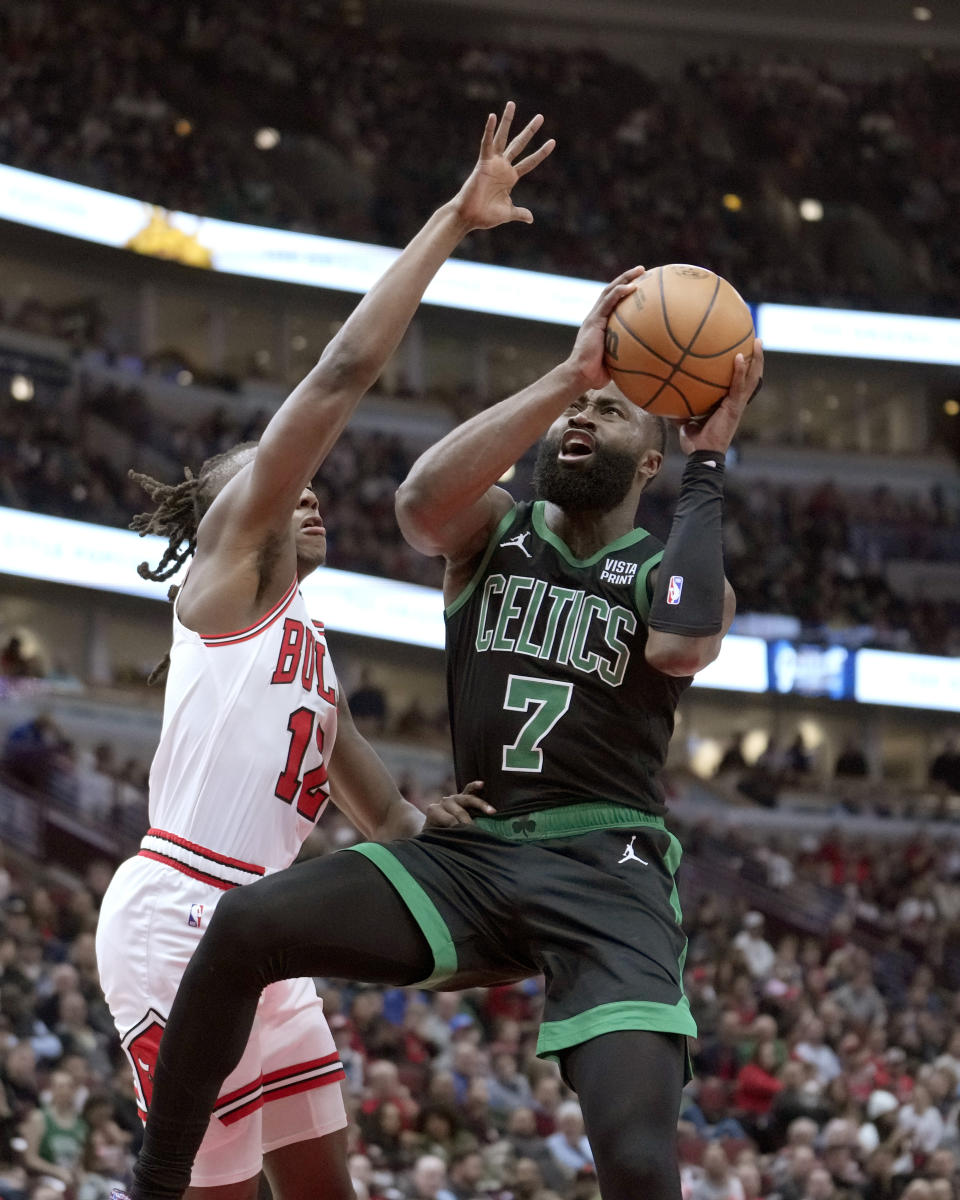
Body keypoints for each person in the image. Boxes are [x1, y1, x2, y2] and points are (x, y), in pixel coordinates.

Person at [121, 109, 761, 1200]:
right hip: (477, 861)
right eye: (581, 408)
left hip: (605, 869)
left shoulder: (668, 565)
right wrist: (571, 376)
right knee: (248, 924)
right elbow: (421, 499)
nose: (582, 421)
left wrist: (710, 463)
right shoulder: (494, 531)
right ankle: (151, 1187)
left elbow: (689, 638)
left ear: (651, 452)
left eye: (610, 414)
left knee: (644, 1163)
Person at [100, 101, 555, 1200]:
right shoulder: (224, 583)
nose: (299, 488)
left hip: (270, 933)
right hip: (176, 919)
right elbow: (345, 371)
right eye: (268, 480)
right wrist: (453, 219)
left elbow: (391, 825)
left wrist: (512, 902)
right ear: (230, 521)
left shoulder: (307, 651)